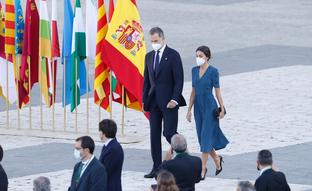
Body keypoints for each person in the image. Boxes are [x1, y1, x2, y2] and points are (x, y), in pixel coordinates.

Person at [143, 26, 186, 178]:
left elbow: (179, 79)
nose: (154, 43)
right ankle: (157, 167)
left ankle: (182, 156)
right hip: (153, 102)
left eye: (156, 40)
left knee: (169, 133)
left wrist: (175, 99)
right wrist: (144, 102)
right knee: (154, 135)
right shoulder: (149, 56)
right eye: (152, 41)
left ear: (163, 39)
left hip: (169, 102)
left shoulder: (173, 55)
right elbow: (147, 81)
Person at [186, 45, 229, 179]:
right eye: (197, 56)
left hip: (210, 107)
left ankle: (203, 169)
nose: (198, 58)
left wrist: (222, 108)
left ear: (207, 57)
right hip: (198, 107)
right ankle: (217, 160)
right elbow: (193, 92)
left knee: (205, 138)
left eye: (201, 56)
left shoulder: (213, 71)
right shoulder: (194, 71)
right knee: (202, 139)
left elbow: (217, 91)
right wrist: (189, 109)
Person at [99, 119, 124, 191]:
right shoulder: (108, 145)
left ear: (103, 133)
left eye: (100, 131)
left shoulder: (113, 149)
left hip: (111, 187)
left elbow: (105, 171)